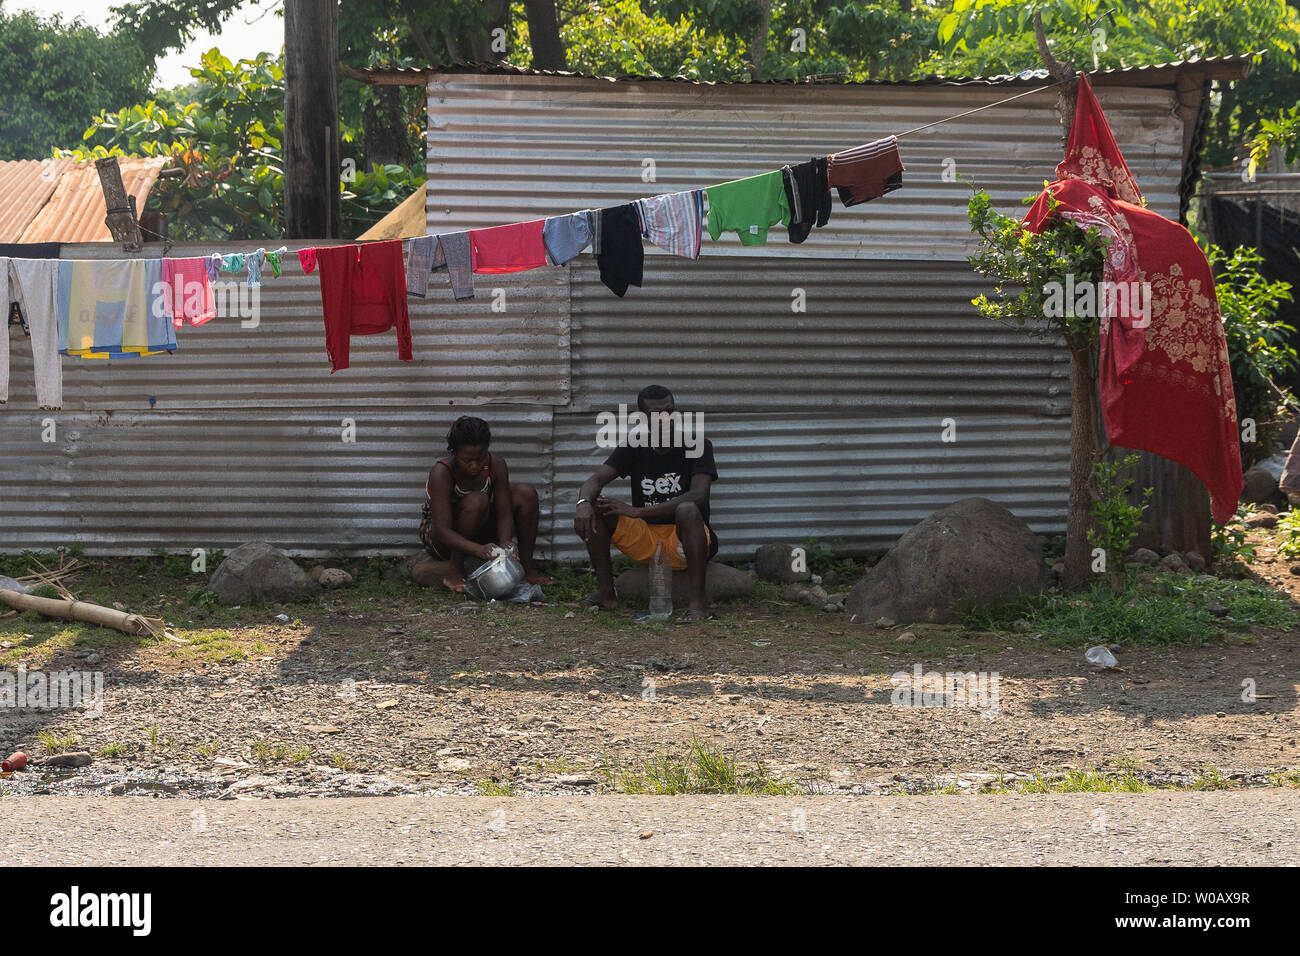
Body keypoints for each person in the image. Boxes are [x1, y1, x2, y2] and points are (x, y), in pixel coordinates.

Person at [573, 385, 718, 622]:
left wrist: (638, 511)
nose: (665, 418)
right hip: (648, 541)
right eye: (656, 414)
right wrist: (582, 502)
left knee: (687, 509)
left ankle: (697, 604)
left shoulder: (697, 445)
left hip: (684, 539)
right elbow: (595, 479)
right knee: (596, 506)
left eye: (670, 411)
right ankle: (606, 593)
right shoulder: (634, 446)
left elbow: (698, 495)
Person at [420, 416, 548, 592]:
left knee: (525, 493)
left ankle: (526, 568)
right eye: (467, 460)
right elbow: (442, 530)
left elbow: (504, 511)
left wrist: (505, 543)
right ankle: (454, 572)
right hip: (442, 538)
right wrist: (478, 549)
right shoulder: (442, 472)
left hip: (478, 528)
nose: (474, 465)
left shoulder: (496, 465)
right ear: (454, 453)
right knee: (477, 500)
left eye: (480, 459)